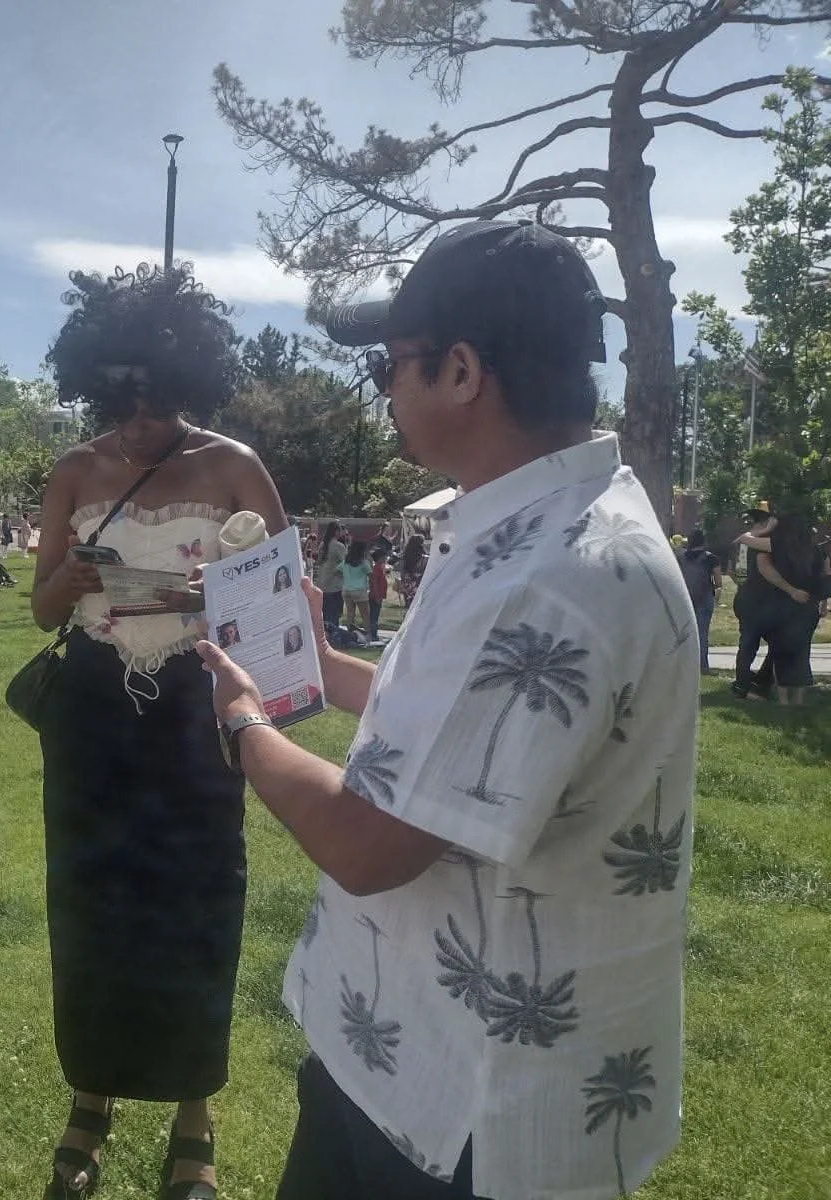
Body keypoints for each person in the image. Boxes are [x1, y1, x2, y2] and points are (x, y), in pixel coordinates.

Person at [197, 220, 696, 1200]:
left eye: (394, 367)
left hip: (464, 1116)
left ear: (460, 370)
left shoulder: (546, 576)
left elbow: (370, 844)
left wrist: (245, 725)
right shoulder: (537, 525)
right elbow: (463, 731)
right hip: (410, 1052)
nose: (385, 392)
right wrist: (323, 662)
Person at [31, 263, 287, 1200]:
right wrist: (77, 580)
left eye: (157, 399)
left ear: (189, 384)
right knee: (92, 901)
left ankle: (193, 1110)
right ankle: (91, 1091)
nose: (139, 420)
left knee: (195, 902)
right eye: (121, 399)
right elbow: (39, 606)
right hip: (95, 712)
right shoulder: (74, 469)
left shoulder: (233, 465)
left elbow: (278, 603)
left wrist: (207, 594)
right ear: (95, 383)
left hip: (195, 709)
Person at [736, 512, 826, 705]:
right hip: (795, 606)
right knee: (791, 650)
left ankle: (751, 688)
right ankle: (782, 694)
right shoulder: (814, 550)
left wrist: (767, 528)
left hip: (768, 604)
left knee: (754, 645)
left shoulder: (776, 544)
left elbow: (744, 539)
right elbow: (824, 577)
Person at [678, 528, 723, 674]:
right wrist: (716, 598)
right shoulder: (711, 558)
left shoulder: (680, 557)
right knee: (702, 634)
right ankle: (703, 666)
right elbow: (718, 582)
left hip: (685, 599)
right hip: (704, 598)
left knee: (684, 633)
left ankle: (683, 665)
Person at [314, 521, 347, 627]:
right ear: (336, 532)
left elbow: (318, 562)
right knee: (333, 616)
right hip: (334, 586)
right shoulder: (338, 546)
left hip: (321, 584)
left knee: (324, 615)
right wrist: (337, 571)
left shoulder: (323, 545)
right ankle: (333, 638)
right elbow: (346, 563)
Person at [339, 538, 371, 632]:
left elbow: (337, 571)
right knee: (365, 615)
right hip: (359, 590)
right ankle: (368, 637)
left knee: (350, 614)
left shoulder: (346, 561)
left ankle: (350, 635)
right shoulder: (363, 562)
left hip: (346, 590)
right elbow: (371, 575)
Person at [397, 533, 427, 607]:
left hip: (408, 584)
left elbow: (402, 571)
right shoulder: (424, 558)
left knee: (410, 606)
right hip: (420, 584)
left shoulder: (405, 557)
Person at [368, 545, 390, 643]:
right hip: (375, 596)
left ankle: (373, 633)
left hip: (379, 595)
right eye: (384, 556)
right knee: (374, 616)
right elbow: (375, 583)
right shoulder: (376, 568)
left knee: (375, 615)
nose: (386, 558)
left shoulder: (381, 567)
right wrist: (377, 596)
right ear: (380, 558)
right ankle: (373, 634)